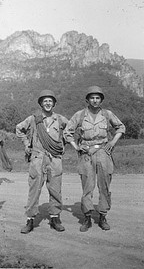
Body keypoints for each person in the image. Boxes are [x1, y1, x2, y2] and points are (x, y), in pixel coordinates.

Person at [64, 86, 125, 232]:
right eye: (92, 98)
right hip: (86, 153)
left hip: (103, 152)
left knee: (104, 185)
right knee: (87, 186)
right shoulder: (79, 115)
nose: (95, 100)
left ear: (101, 100)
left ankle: (103, 216)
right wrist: (77, 147)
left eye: (98, 98)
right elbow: (67, 132)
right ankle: (87, 217)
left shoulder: (107, 114)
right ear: (87, 100)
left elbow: (121, 127)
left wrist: (112, 142)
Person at [16, 90, 68, 234]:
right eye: (45, 101)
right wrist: (27, 144)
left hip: (54, 159)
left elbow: (71, 130)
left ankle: (55, 218)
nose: (47, 103)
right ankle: (30, 220)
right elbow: (19, 129)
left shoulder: (60, 119)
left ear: (54, 104)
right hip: (37, 158)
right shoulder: (33, 119)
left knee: (55, 189)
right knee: (34, 189)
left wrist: (62, 145)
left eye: (50, 101)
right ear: (40, 103)